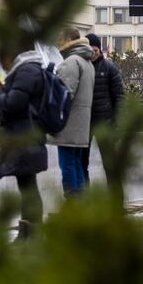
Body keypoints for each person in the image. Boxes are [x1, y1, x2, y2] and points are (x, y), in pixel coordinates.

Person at [0, 48, 47, 240]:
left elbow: (13, 104)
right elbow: (19, 99)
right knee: (27, 185)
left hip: (23, 136)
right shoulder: (30, 70)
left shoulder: (26, 71)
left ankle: (31, 234)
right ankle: (28, 232)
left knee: (28, 187)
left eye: (3, 60)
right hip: (26, 134)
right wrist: (2, 89)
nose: (3, 65)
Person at [47, 28, 95, 198]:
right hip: (80, 124)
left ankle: (73, 203)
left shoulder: (71, 62)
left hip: (68, 124)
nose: (58, 43)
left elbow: (63, 94)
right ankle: (80, 203)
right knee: (76, 164)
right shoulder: (86, 62)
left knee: (67, 165)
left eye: (60, 39)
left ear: (68, 40)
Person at [82, 33, 125, 204]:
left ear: (99, 49)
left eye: (95, 49)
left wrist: (117, 124)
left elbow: (120, 97)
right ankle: (84, 201)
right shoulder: (82, 66)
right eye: (89, 50)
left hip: (105, 123)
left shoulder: (109, 67)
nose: (92, 53)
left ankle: (116, 203)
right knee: (81, 164)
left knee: (111, 166)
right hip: (84, 124)